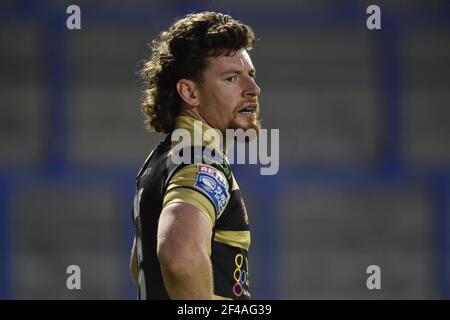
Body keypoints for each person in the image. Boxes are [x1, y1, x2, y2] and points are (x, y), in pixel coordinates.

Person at [130, 11, 261, 300]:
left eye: (250, 76)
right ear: (190, 92)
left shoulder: (159, 163)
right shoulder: (200, 160)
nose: (253, 90)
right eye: (232, 78)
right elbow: (180, 256)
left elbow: (138, 266)